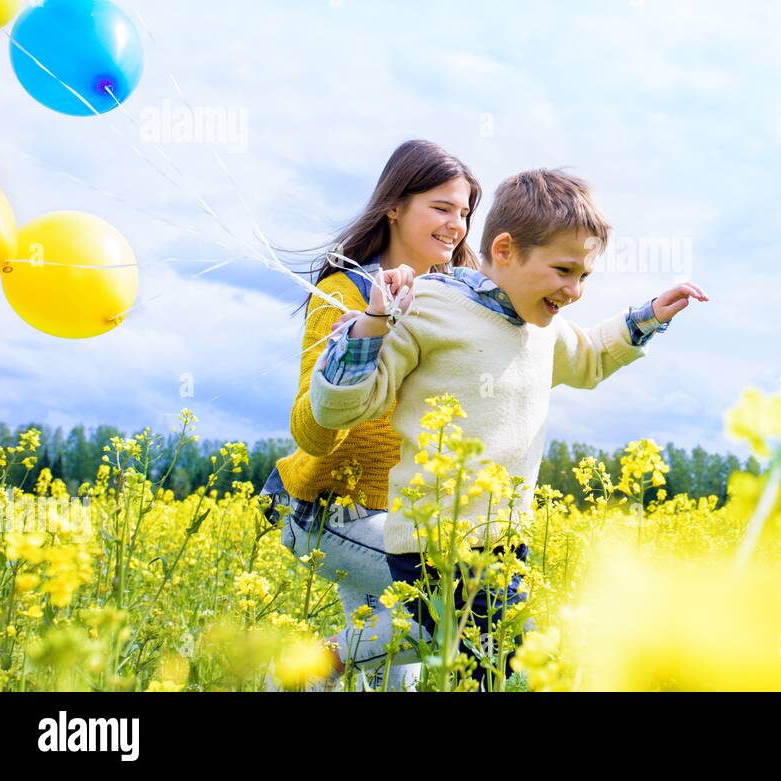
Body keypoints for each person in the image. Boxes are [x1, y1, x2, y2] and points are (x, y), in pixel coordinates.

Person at [309, 168, 709, 689]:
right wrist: (370, 326)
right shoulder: (429, 306)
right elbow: (341, 408)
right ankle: (326, 660)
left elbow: (589, 357)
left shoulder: (544, 329)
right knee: (502, 660)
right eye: (564, 270)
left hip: (505, 541)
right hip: (437, 539)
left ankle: (326, 661)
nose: (576, 290)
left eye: (585, 277)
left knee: (474, 658)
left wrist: (649, 316)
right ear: (503, 251)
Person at [258, 139, 481, 690]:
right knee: (455, 607)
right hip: (337, 514)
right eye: (442, 207)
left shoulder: (452, 300)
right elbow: (311, 431)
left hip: (399, 515)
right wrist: (367, 335)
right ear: (395, 206)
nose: (457, 225)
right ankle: (301, 669)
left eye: (465, 212)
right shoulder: (344, 292)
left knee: (389, 678)